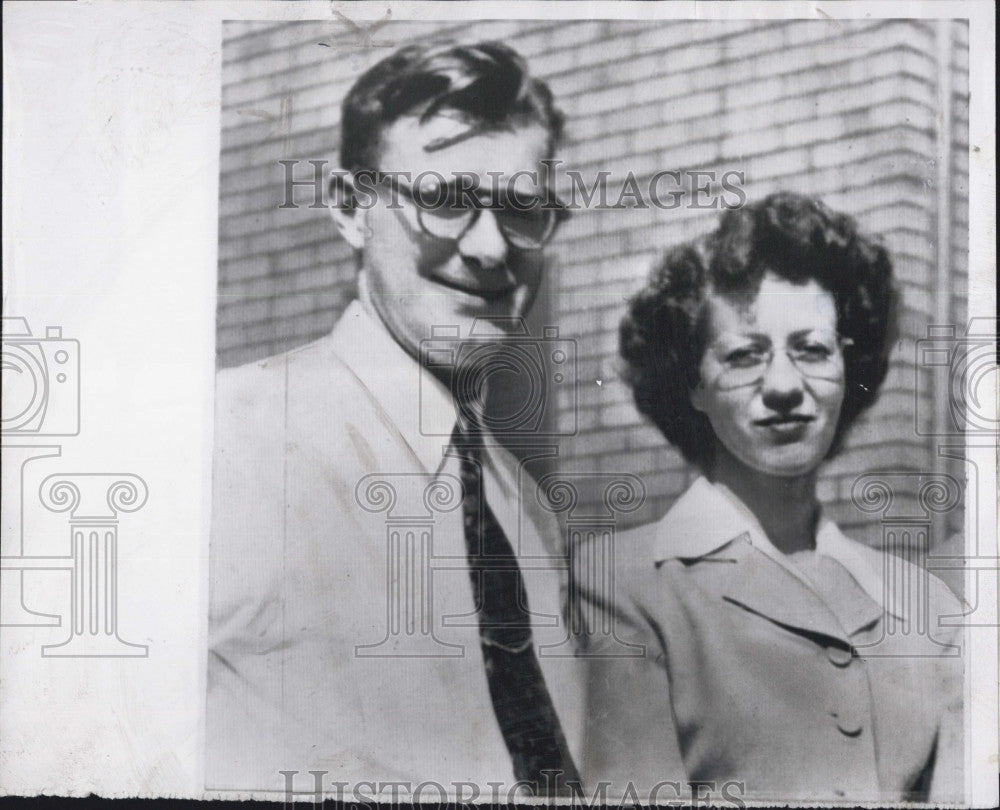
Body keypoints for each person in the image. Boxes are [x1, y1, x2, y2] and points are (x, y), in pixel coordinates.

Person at [207, 41, 582, 797]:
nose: (487, 248)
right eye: (443, 198)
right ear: (350, 208)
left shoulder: (527, 512)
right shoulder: (228, 438)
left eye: (521, 211)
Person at [577, 192, 964, 802]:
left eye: (811, 349)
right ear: (694, 385)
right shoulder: (621, 588)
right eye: (743, 355)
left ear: (846, 365)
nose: (783, 385)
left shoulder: (931, 609)